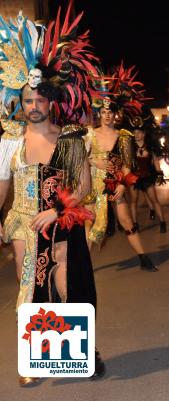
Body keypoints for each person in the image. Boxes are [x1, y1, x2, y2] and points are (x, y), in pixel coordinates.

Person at [0, 7, 105, 384]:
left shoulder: (72, 138)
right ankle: (32, 358)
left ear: (50, 102)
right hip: (22, 223)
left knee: (65, 281)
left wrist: (56, 211)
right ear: (21, 102)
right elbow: (2, 190)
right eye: (27, 100)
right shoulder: (9, 142)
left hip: (63, 220)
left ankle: (82, 351)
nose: (33, 106)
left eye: (39, 100)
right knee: (28, 282)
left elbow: (85, 188)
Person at [84, 66, 158, 272]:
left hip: (115, 185)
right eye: (104, 112)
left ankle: (143, 258)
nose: (107, 116)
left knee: (127, 221)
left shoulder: (123, 136)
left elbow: (127, 166)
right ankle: (84, 266)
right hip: (93, 186)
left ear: (115, 115)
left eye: (110, 112)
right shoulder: (89, 134)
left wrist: (123, 187)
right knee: (89, 225)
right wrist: (94, 162)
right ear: (99, 113)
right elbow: (81, 159)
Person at [128, 110, 167, 233]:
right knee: (133, 201)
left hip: (148, 177)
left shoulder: (150, 147)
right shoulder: (130, 147)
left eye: (139, 132)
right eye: (134, 132)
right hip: (134, 178)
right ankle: (135, 224)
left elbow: (155, 161)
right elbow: (127, 163)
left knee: (154, 199)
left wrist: (159, 174)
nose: (137, 135)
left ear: (144, 134)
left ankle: (162, 222)